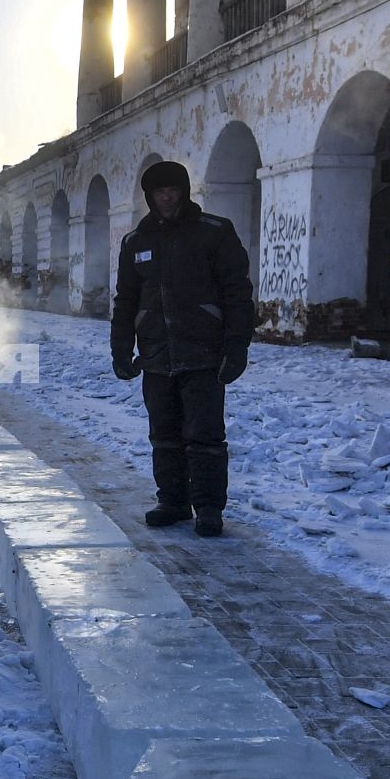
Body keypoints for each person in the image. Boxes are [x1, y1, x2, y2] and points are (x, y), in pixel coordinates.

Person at [111, 159, 254, 537]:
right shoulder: (135, 242)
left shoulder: (214, 233)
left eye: (173, 189)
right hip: (157, 355)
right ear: (150, 196)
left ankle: (208, 507)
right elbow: (125, 300)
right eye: (160, 191)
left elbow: (237, 294)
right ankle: (172, 501)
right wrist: (121, 349)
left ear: (185, 191)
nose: (167, 197)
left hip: (203, 353)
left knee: (205, 434)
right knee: (164, 434)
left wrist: (236, 347)